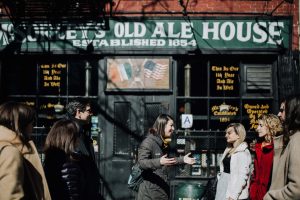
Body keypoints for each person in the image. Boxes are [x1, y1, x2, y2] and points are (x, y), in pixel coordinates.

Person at [137, 114, 195, 200]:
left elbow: (166, 161)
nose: (173, 129)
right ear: (162, 125)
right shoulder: (149, 142)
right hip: (151, 191)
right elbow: (141, 163)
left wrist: (183, 159)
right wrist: (159, 162)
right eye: (171, 125)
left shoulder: (162, 142)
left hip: (159, 188)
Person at [0, 101, 51, 200]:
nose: (32, 128)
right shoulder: (10, 152)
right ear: (21, 125)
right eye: (31, 124)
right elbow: (11, 196)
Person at [44, 119, 100, 200]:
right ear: (69, 138)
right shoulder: (69, 165)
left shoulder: (51, 161)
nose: (78, 140)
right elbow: (73, 196)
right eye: (76, 136)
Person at [264, 95, 300, 199]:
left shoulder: (297, 139)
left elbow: (296, 189)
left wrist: (270, 196)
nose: (278, 114)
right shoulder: (292, 138)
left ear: (293, 112)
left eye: (282, 110)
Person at [64, 100, 101, 199]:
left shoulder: (82, 132)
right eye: (88, 111)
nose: (91, 113)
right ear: (78, 112)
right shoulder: (70, 133)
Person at [249, 114, 282, 200]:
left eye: (261, 125)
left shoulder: (278, 147)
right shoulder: (258, 146)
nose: (257, 129)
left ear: (270, 126)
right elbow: (255, 173)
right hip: (255, 194)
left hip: (269, 194)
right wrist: (252, 188)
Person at [215, 123, 251, 200]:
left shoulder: (243, 151)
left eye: (229, 133)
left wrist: (233, 196)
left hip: (232, 189)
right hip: (223, 184)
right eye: (226, 133)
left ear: (238, 135)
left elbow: (242, 177)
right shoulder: (229, 149)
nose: (226, 135)